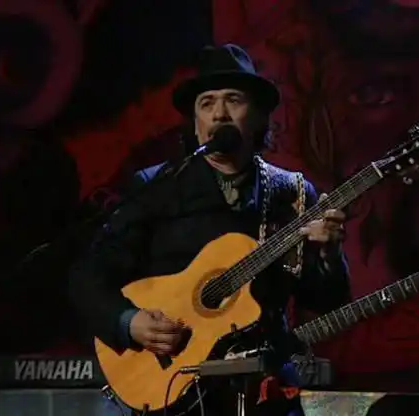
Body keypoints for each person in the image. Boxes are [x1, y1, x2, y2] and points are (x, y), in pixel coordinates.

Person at [68, 43, 351, 416]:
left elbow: (325, 301)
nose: (219, 113)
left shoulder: (292, 193)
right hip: (174, 385)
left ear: (258, 117)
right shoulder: (157, 187)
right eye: (206, 103)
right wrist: (128, 322)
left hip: (263, 387)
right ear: (196, 122)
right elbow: (89, 277)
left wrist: (330, 254)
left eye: (233, 100)